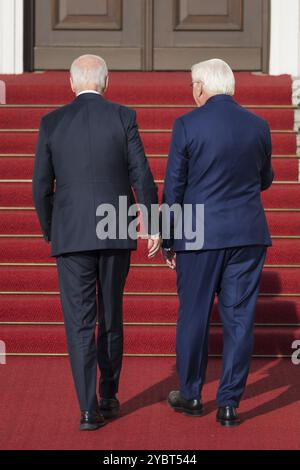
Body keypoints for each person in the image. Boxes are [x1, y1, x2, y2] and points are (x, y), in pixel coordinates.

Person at [32, 54, 159, 431]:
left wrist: (50, 229)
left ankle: (88, 409)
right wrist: (152, 223)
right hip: (116, 226)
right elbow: (143, 174)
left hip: (71, 232)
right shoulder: (124, 116)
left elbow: (41, 186)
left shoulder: (51, 122)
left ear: (72, 84)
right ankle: (108, 393)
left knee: (80, 322)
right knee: (111, 313)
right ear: (106, 83)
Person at [162, 59, 274, 427]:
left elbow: (174, 187)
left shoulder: (187, 124)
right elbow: (265, 178)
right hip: (247, 233)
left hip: (197, 235)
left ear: (199, 87)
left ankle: (191, 395)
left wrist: (166, 238)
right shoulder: (259, 125)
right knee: (240, 319)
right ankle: (229, 404)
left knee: (193, 316)